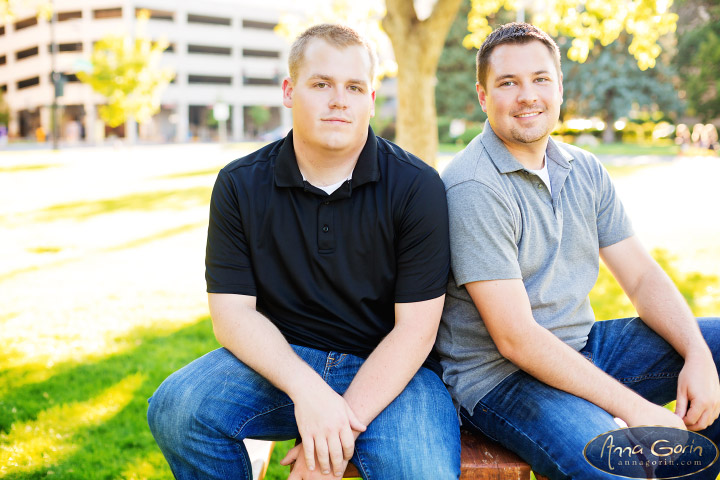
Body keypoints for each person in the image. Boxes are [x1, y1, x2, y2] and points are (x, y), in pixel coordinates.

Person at [147, 24, 460, 480]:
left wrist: (329, 441)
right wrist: (309, 394)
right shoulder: (239, 184)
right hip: (285, 360)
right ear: (290, 91)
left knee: (419, 473)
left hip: (393, 370)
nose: (339, 100)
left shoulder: (417, 186)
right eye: (321, 84)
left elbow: (415, 331)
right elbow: (232, 316)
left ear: (371, 99)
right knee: (177, 410)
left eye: (354, 87)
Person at [436, 22, 720, 480]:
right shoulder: (473, 187)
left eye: (540, 79)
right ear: (483, 97)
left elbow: (643, 278)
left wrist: (698, 356)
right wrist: (634, 410)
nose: (528, 95)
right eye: (508, 83)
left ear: (560, 87)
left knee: (717, 349)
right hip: (502, 379)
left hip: (585, 346)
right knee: (613, 464)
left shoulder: (582, 168)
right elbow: (516, 338)